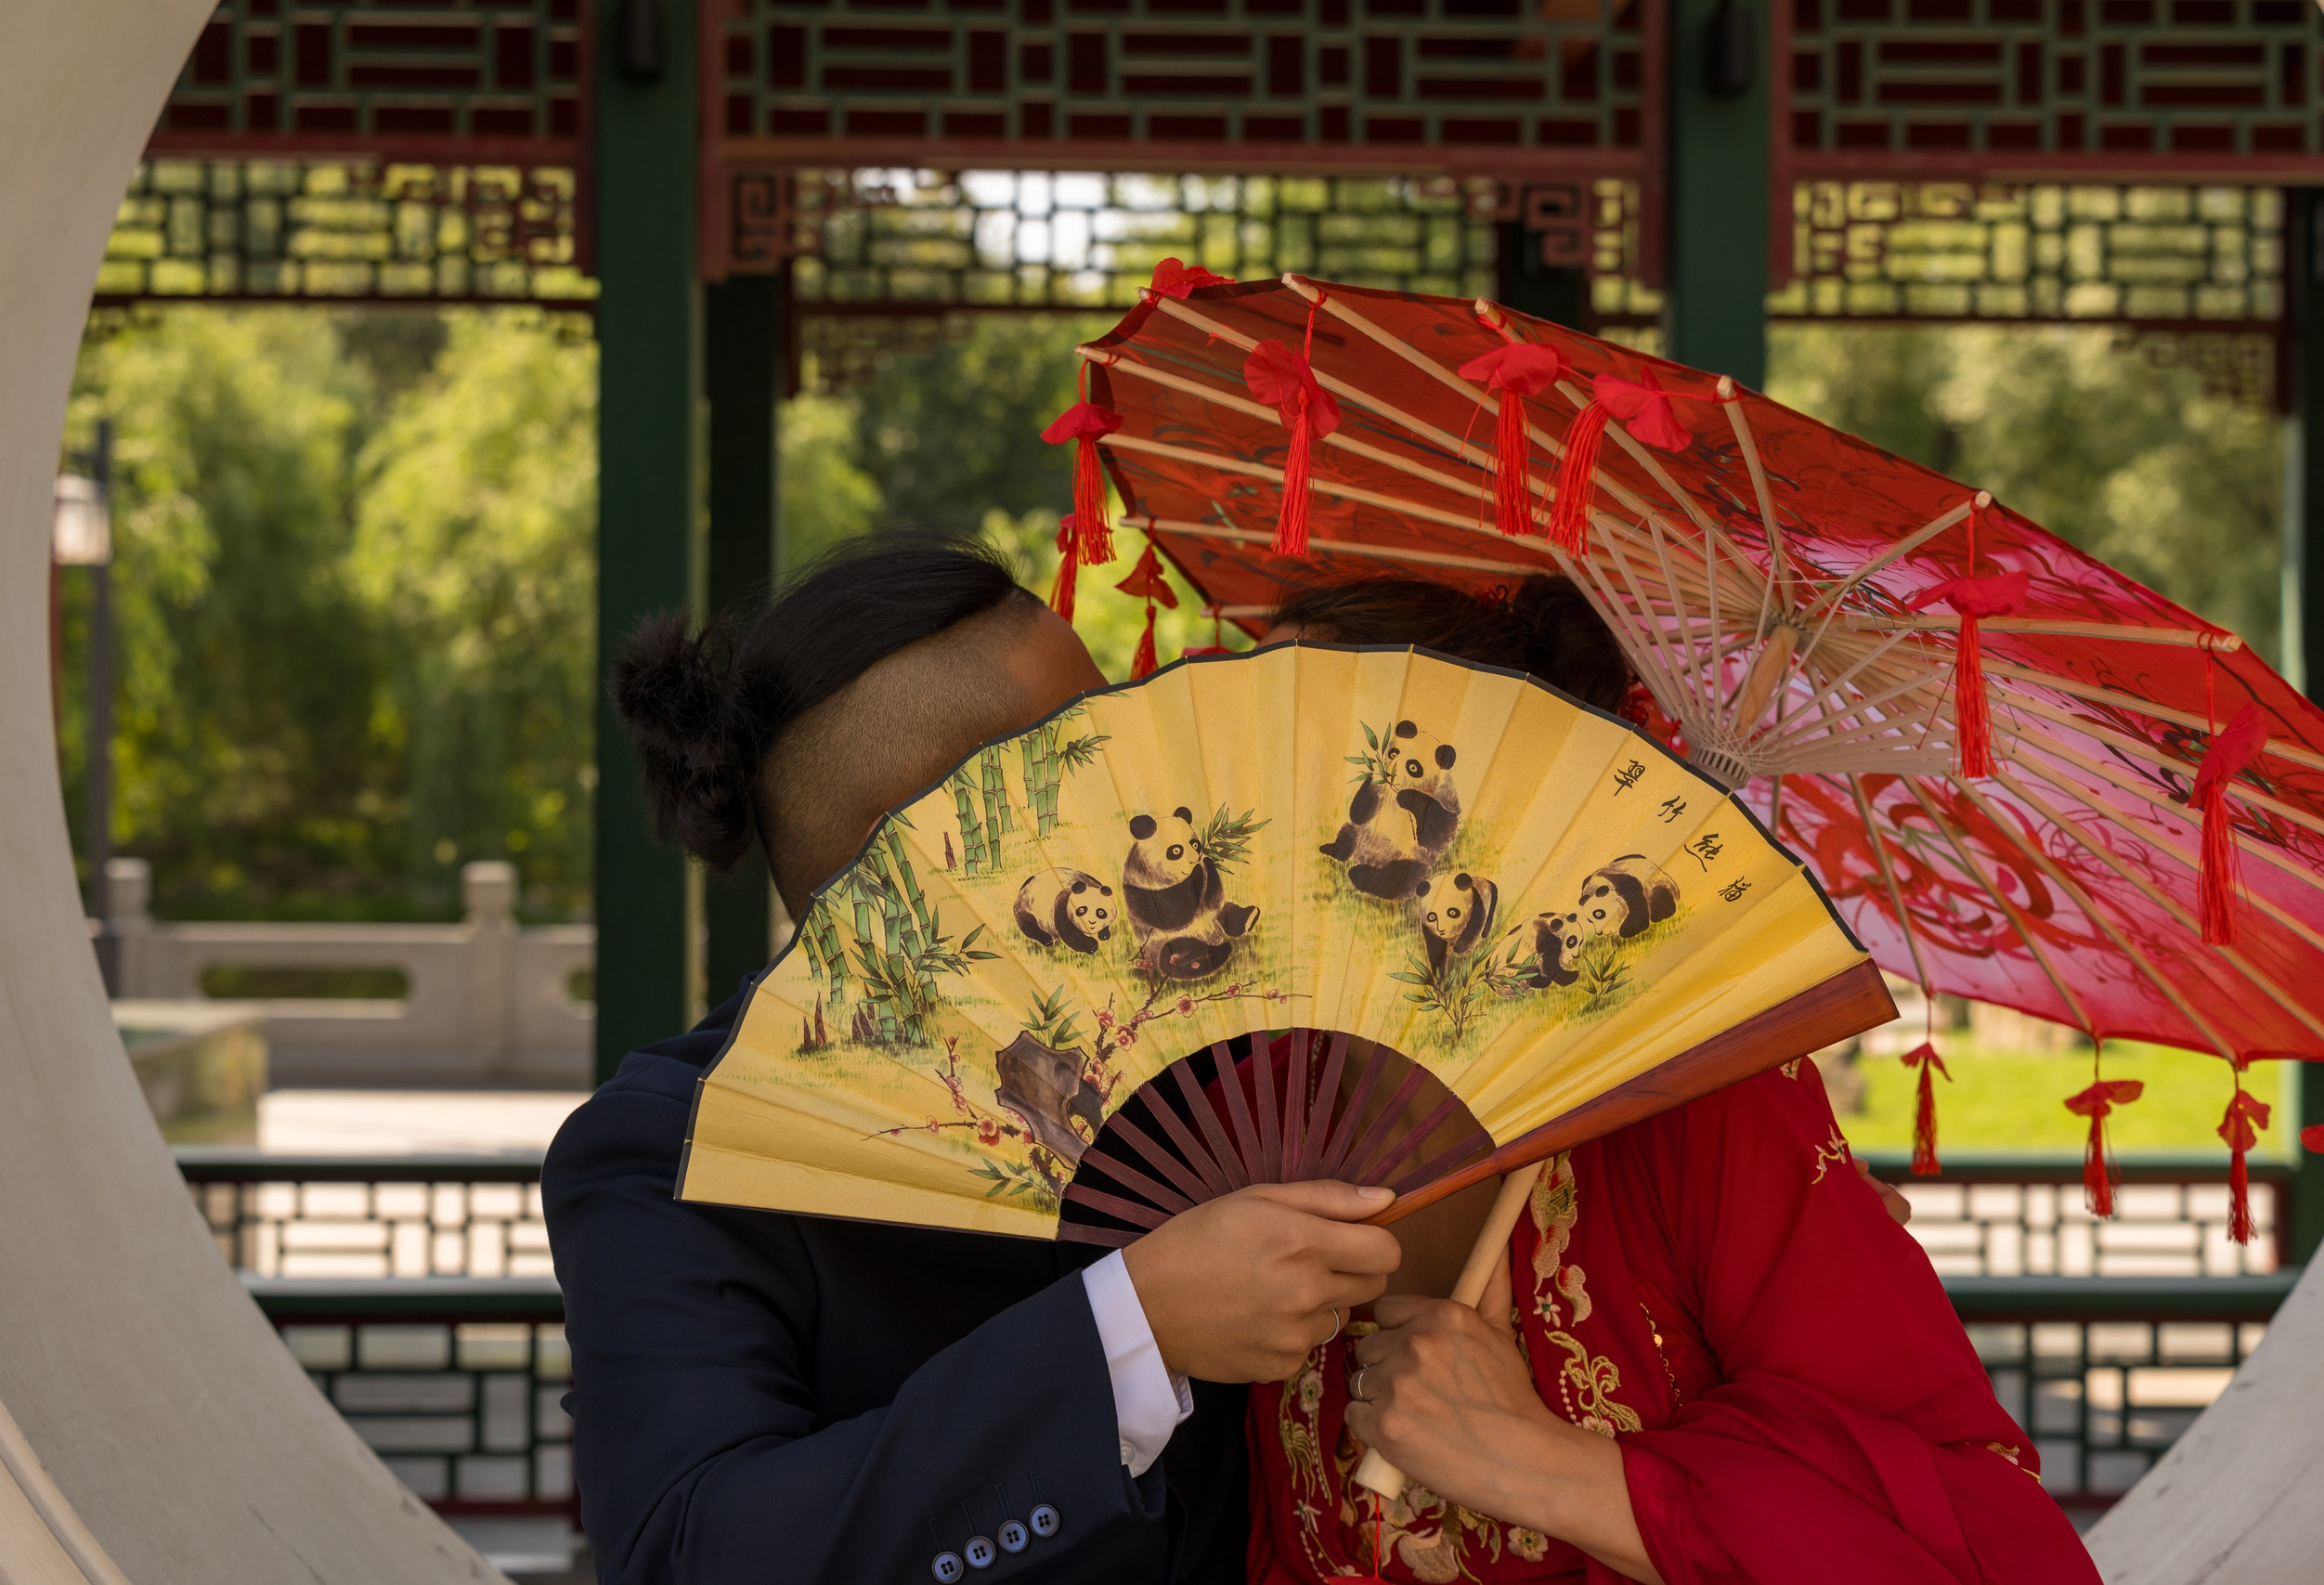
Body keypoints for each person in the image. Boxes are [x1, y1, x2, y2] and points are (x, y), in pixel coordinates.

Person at [546, 529, 1408, 1585]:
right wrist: (1128, 1332)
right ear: (929, 851)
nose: (1158, 797)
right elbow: (695, 1552)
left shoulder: (1208, 1052)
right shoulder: (671, 1152)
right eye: (1104, 762)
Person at [1247, 571, 2097, 1585]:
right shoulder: (1242, 1106)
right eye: (1240, 744)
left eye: (1327, 764)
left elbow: (1984, 1538)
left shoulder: (1699, 1097)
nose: (1260, 810)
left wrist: (1551, 1470)